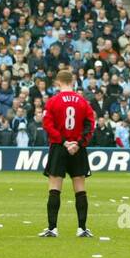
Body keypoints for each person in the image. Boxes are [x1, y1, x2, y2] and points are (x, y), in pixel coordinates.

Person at [38, 69, 97, 238]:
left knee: (55, 187)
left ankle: (52, 228)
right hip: (78, 149)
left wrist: (64, 141)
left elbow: (48, 125)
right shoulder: (83, 102)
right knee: (80, 188)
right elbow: (89, 125)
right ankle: (82, 228)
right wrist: (77, 143)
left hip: (59, 147)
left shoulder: (53, 101)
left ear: (58, 82)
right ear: (72, 81)